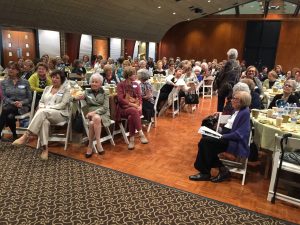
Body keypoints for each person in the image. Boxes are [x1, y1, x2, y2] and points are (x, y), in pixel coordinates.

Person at [189, 91, 251, 182]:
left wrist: (223, 136)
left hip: (232, 142)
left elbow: (240, 134)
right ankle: (221, 169)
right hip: (226, 137)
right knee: (205, 141)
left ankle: (206, 173)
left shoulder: (244, 113)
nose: (232, 100)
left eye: (235, 99)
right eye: (233, 98)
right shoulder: (237, 110)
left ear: (242, 101)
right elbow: (230, 125)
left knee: (205, 142)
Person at [13, 70, 71, 160]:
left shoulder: (66, 89)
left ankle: (26, 135)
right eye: (53, 77)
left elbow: (62, 105)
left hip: (60, 114)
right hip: (45, 114)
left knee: (42, 112)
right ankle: (45, 149)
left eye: (57, 78)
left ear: (62, 80)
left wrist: (47, 108)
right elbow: (41, 102)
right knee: (44, 122)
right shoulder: (47, 88)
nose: (54, 79)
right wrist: (44, 108)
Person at [78, 73, 111, 157]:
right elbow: (72, 98)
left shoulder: (105, 92)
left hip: (103, 113)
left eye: (96, 82)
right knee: (95, 119)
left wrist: (94, 113)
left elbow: (105, 108)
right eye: (92, 81)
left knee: (93, 122)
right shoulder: (86, 92)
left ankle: (90, 146)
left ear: (100, 83)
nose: (94, 84)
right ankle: (99, 145)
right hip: (90, 113)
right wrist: (77, 97)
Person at [116, 66, 148, 150]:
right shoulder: (120, 85)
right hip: (123, 109)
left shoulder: (136, 84)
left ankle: (132, 140)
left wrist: (140, 105)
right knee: (133, 111)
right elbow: (120, 99)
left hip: (136, 109)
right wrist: (132, 104)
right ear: (128, 75)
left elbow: (140, 97)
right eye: (134, 74)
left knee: (131, 116)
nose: (135, 76)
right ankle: (141, 134)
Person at [0, 62, 32, 141]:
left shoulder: (25, 82)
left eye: (13, 68)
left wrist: (22, 103)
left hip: (22, 107)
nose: (10, 70)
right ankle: (14, 136)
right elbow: (3, 97)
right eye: (9, 68)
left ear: (18, 71)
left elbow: (29, 98)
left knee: (6, 111)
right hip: (9, 105)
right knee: (9, 115)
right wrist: (12, 102)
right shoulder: (3, 82)